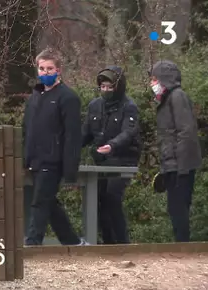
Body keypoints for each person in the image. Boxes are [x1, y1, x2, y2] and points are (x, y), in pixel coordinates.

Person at [23, 49, 86, 246]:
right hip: (35, 159)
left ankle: (33, 244)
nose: (45, 72)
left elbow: (72, 136)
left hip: (53, 160)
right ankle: (72, 242)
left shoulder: (68, 98)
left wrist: (70, 171)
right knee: (49, 202)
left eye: (50, 69)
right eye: (42, 68)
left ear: (58, 71)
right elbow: (28, 128)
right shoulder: (36, 95)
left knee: (40, 202)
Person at [82, 66, 141, 244]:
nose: (106, 90)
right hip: (100, 160)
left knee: (112, 197)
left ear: (118, 87)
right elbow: (85, 134)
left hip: (123, 159)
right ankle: (107, 241)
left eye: (110, 87)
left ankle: (122, 242)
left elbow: (128, 133)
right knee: (97, 199)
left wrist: (112, 145)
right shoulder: (95, 106)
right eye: (103, 87)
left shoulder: (129, 107)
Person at [150, 60, 202, 242]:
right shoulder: (166, 100)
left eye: (154, 79)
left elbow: (185, 132)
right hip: (173, 165)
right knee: (175, 209)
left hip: (181, 166)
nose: (152, 83)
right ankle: (181, 245)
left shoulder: (177, 97)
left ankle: (183, 248)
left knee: (179, 208)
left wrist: (182, 168)